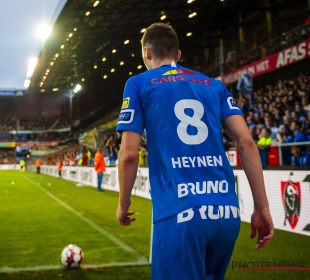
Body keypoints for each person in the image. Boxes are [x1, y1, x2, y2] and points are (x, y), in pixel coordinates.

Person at [115, 23, 274, 280]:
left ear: (146, 53)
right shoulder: (213, 85)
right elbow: (246, 143)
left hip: (180, 213)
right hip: (226, 213)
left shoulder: (138, 84)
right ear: (178, 55)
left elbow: (129, 154)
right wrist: (262, 207)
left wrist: (123, 204)